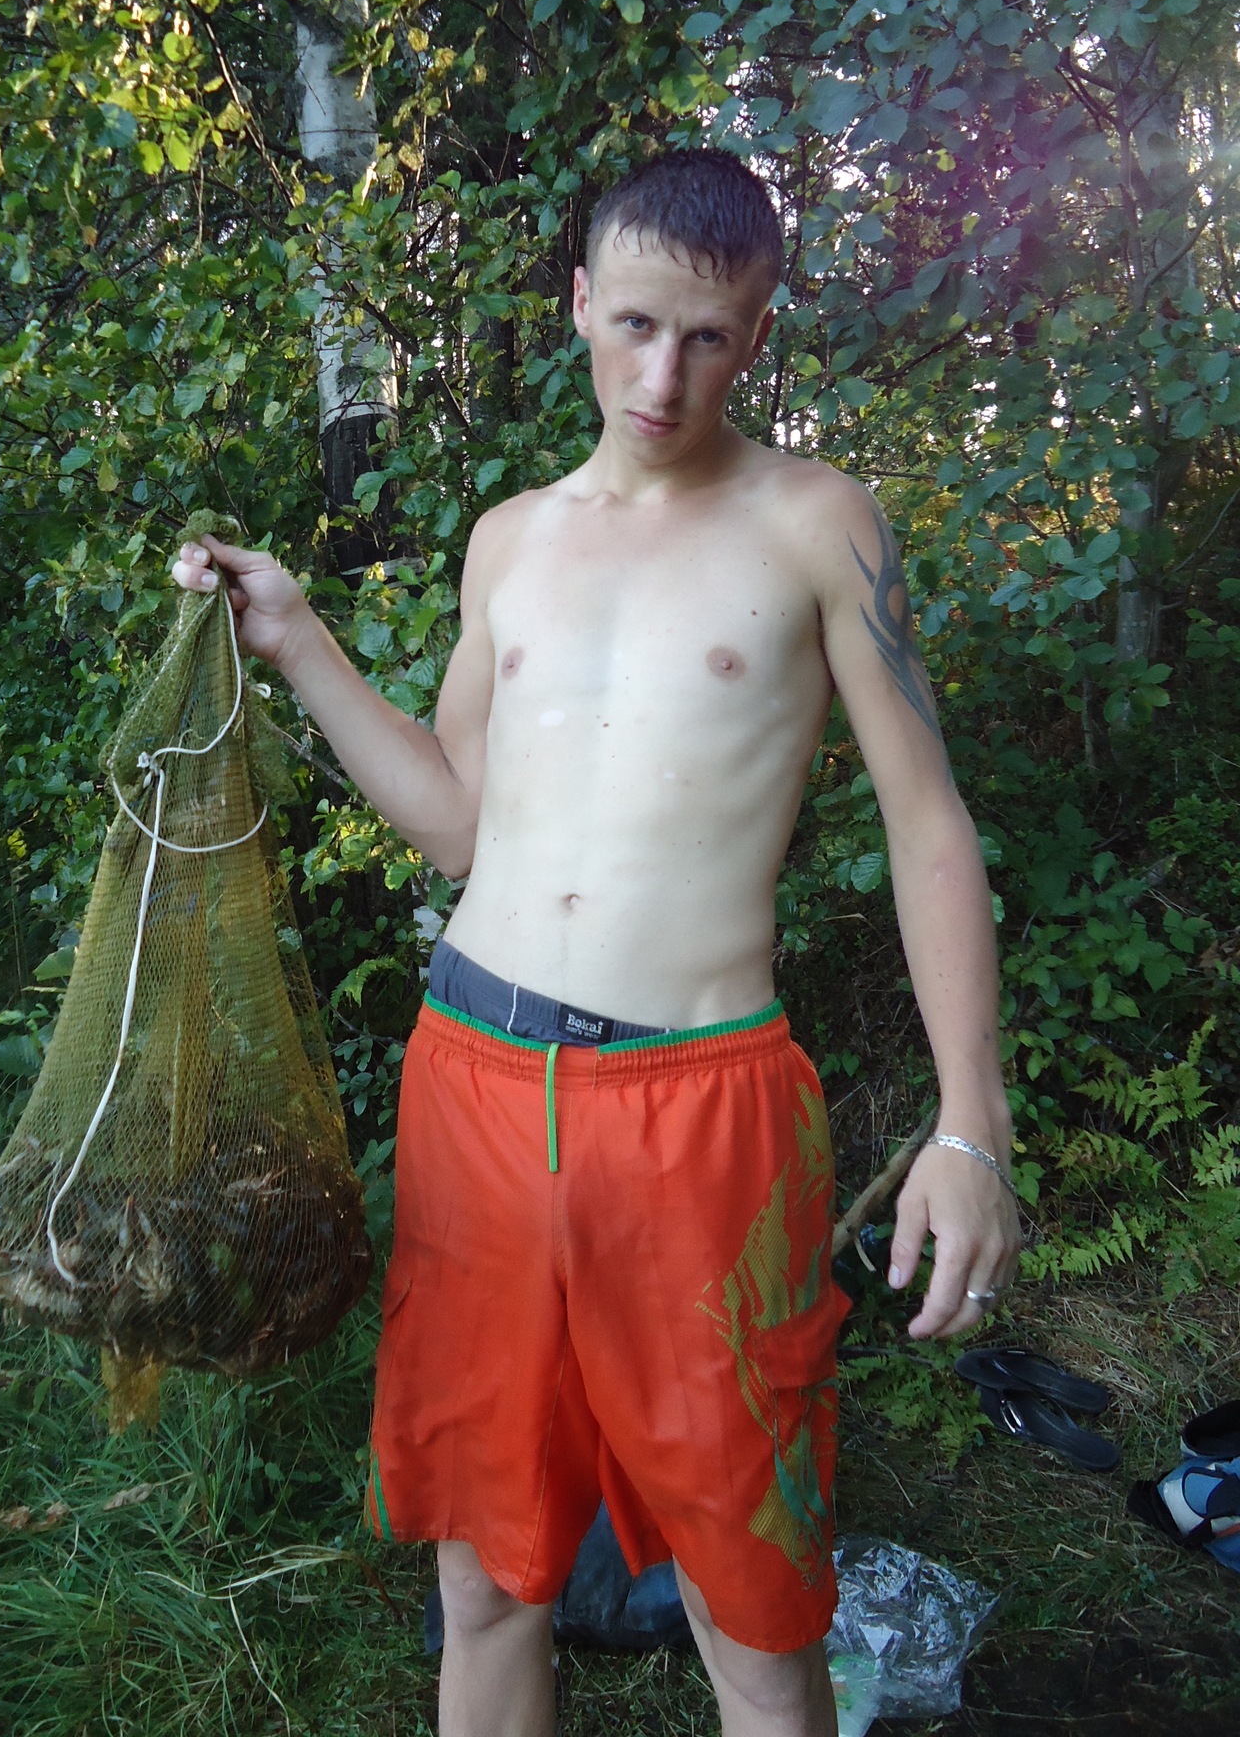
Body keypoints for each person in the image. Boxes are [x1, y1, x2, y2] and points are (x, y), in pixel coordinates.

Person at [173, 150, 1021, 1737]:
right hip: (474, 1088)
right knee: (487, 1578)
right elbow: (457, 822)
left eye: (707, 337)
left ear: (757, 333)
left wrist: (971, 1125)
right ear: (577, 301)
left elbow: (930, 826)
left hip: (700, 1112)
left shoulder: (817, 526)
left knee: (750, 1603)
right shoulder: (511, 540)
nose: (662, 377)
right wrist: (296, 640)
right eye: (634, 324)